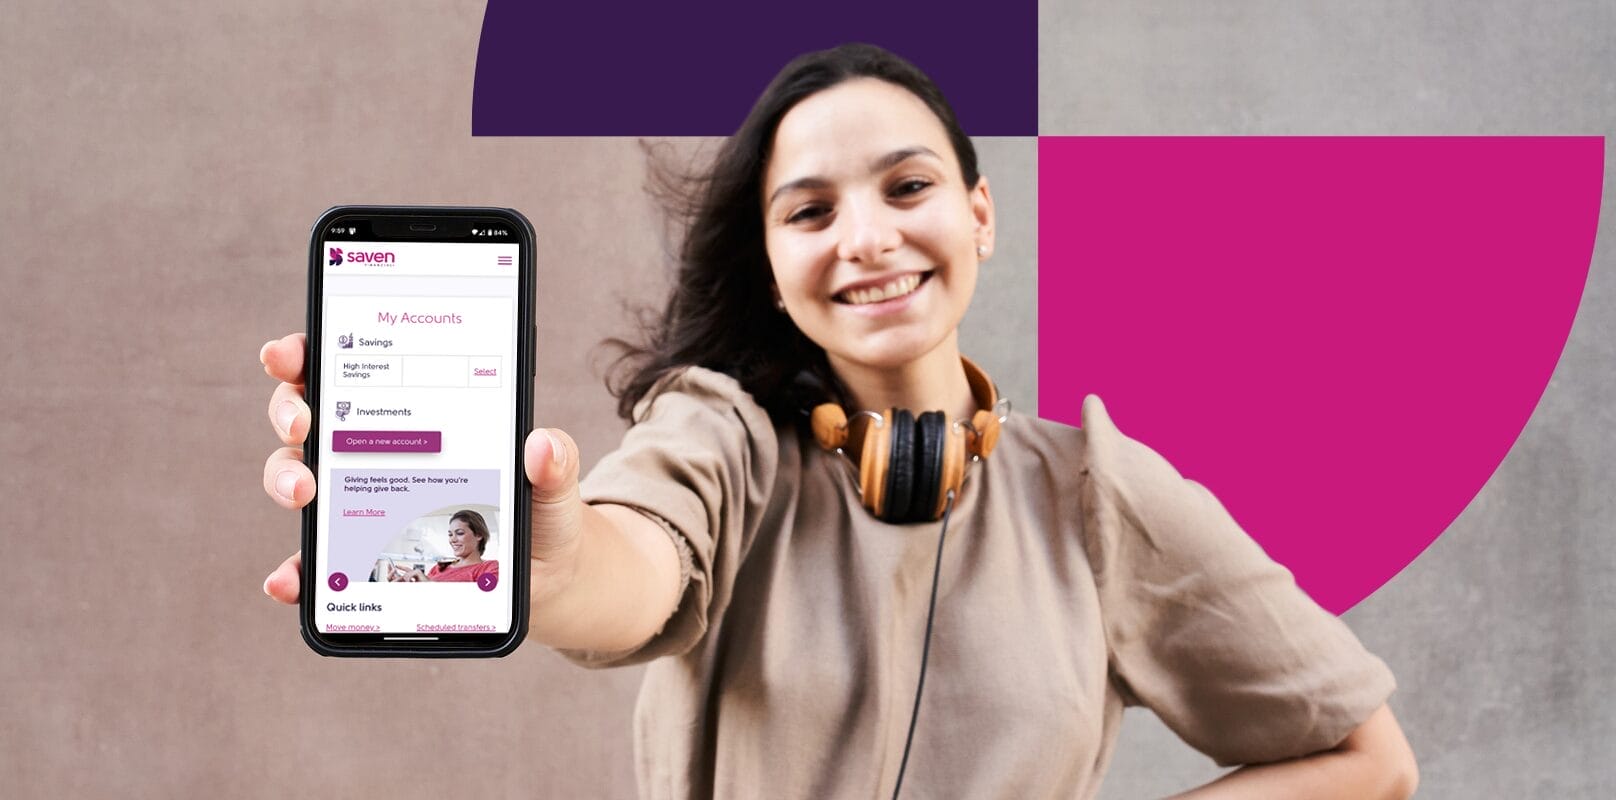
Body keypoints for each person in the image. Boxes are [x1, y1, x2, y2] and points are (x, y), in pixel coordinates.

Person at [260, 43, 1418, 800]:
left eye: (906, 188)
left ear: (977, 215)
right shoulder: (720, 437)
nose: (863, 237)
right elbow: (635, 565)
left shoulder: (1090, 492)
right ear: (771, 271)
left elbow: (1363, 756)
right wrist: (541, 558)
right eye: (809, 210)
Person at [385, 509, 499, 583]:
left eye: (459, 533)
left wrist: (430, 586)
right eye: (450, 534)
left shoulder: (490, 567)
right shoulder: (438, 568)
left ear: (478, 535)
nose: (452, 540)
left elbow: (486, 599)